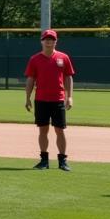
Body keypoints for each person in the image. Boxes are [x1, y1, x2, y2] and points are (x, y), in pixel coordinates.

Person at [25, 29, 75, 171]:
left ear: (56, 41)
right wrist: (27, 98)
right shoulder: (34, 59)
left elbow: (68, 77)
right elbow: (30, 79)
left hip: (58, 99)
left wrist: (69, 97)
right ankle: (44, 161)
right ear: (41, 41)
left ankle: (63, 161)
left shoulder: (63, 57)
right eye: (46, 39)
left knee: (60, 130)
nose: (49, 41)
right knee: (43, 130)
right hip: (41, 99)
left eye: (51, 39)